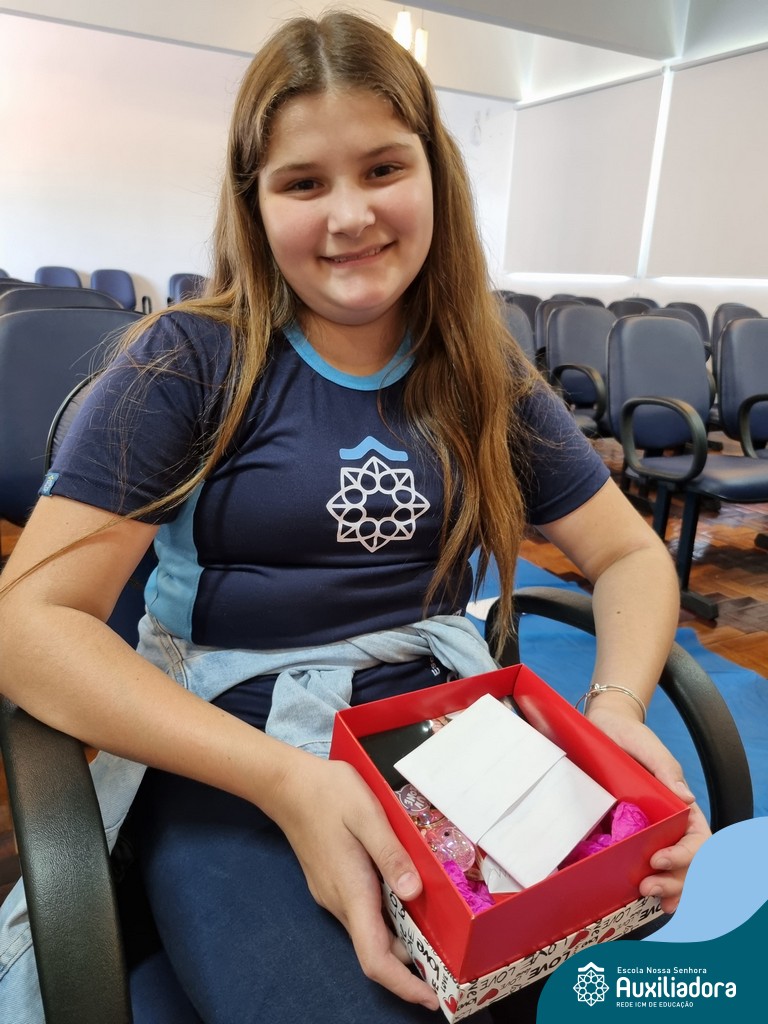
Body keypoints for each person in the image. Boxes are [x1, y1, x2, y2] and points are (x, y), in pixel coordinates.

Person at [0, 11, 709, 1023]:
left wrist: (616, 713)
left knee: (601, 975)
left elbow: (629, 553)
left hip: (453, 743)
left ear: (434, 175)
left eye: (383, 168)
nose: (349, 216)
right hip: (235, 763)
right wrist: (289, 783)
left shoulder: (483, 370)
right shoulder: (187, 363)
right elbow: (28, 627)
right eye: (303, 183)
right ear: (254, 202)